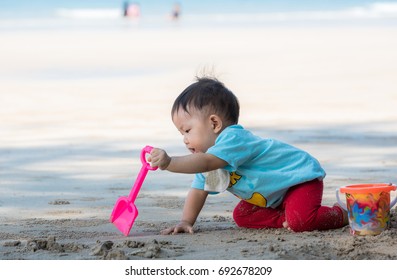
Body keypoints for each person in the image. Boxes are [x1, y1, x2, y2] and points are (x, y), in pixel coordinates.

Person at [149, 76, 348, 235]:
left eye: (187, 130)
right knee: (243, 216)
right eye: (181, 134)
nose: (184, 139)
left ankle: (343, 215)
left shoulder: (233, 138)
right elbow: (198, 191)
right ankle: (287, 218)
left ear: (214, 124)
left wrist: (169, 162)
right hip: (276, 197)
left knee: (303, 222)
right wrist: (186, 221)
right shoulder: (205, 160)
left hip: (298, 179)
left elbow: (207, 161)